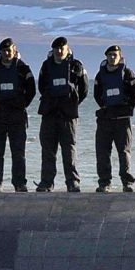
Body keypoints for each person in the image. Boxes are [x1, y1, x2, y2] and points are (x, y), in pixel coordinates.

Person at [35, 36, 90, 193]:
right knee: (47, 150)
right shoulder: (46, 66)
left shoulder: (76, 66)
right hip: (49, 114)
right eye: (56, 48)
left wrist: (72, 103)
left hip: (68, 115)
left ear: (67, 49)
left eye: (62, 48)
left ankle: (72, 182)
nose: (59, 51)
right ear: (52, 50)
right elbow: (41, 86)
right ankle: (46, 182)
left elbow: (84, 89)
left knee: (69, 149)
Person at [0, 37, 36, 191]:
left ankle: (20, 184)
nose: (7, 53)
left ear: (15, 50)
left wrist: (21, 104)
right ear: (0, 52)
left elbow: (31, 90)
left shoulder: (23, 68)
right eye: (4, 51)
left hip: (17, 116)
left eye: (9, 50)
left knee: (18, 152)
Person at [92, 44, 135, 190]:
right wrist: (105, 107)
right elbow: (96, 93)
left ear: (120, 57)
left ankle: (126, 182)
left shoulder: (128, 73)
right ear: (106, 57)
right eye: (110, 55)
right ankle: (105, 183)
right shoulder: (100, 75)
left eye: (115, 55)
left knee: (124, 151)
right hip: (105, 119)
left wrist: (128, 107)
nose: (112, 57)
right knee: (102, 152)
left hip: (122, 119)